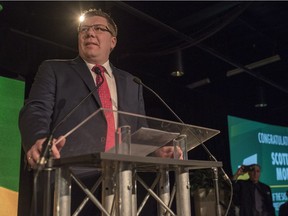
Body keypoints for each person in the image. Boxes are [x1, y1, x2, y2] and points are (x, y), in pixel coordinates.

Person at [18, 8, 182, 216]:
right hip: (67, 181)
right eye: (83, 29)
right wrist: (39, 138)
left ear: (112, 41)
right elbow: (35, 109)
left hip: (122, 186)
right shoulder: (54, 70)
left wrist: (155, 151)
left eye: (98, 28)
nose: (90, 33)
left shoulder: (132, 83)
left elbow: (139, 129)